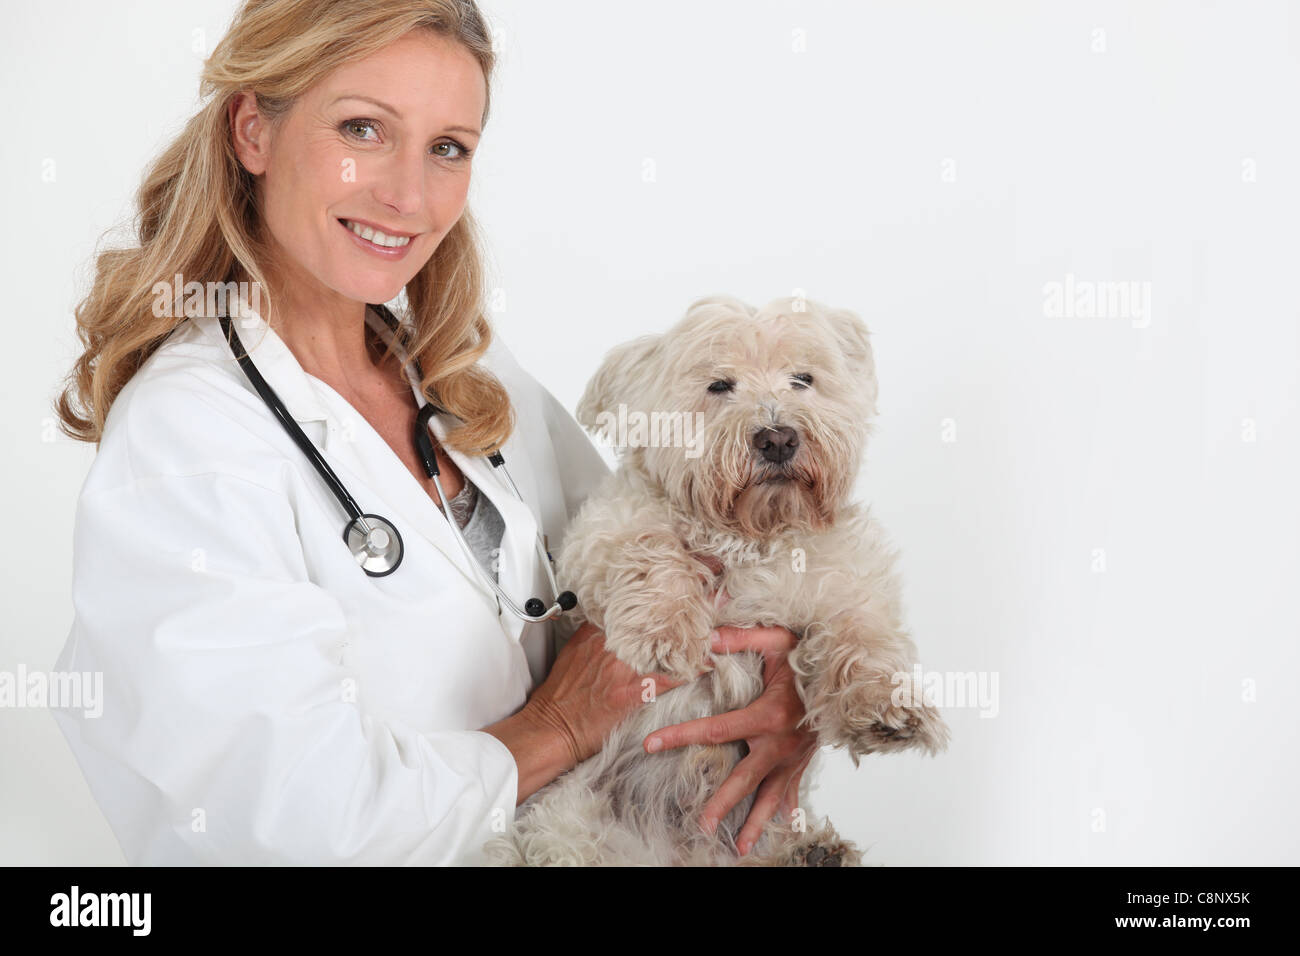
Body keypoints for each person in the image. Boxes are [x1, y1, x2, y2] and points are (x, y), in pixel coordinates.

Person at [50, 0, 817, 865]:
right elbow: (294, 824)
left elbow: (672, 548)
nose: (408, 195)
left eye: (447, 148)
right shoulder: (184, 441)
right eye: (363, 129)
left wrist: (784, 693)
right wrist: (556, 726)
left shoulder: (468, 378)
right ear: (252, 131)